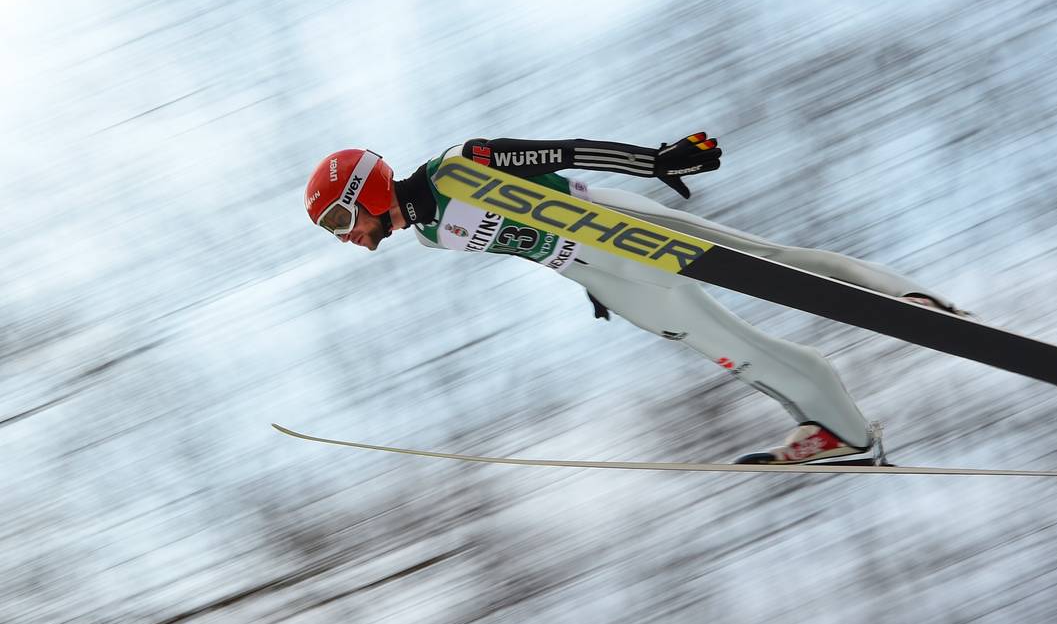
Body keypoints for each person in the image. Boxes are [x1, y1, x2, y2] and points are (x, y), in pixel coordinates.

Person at [303, 133, 972, 466]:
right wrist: (593, 288)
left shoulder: (456, 167)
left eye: (339, 220)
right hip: (597, 271)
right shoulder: (426, 235)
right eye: (335, 232)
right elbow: (517, 242)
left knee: (768, 262)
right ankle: (844, 433)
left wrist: (655, 161)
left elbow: (557, 152)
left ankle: (907, 299)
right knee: (732, 350)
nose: (346, 238)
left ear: (366, 189)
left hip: (612, 224)